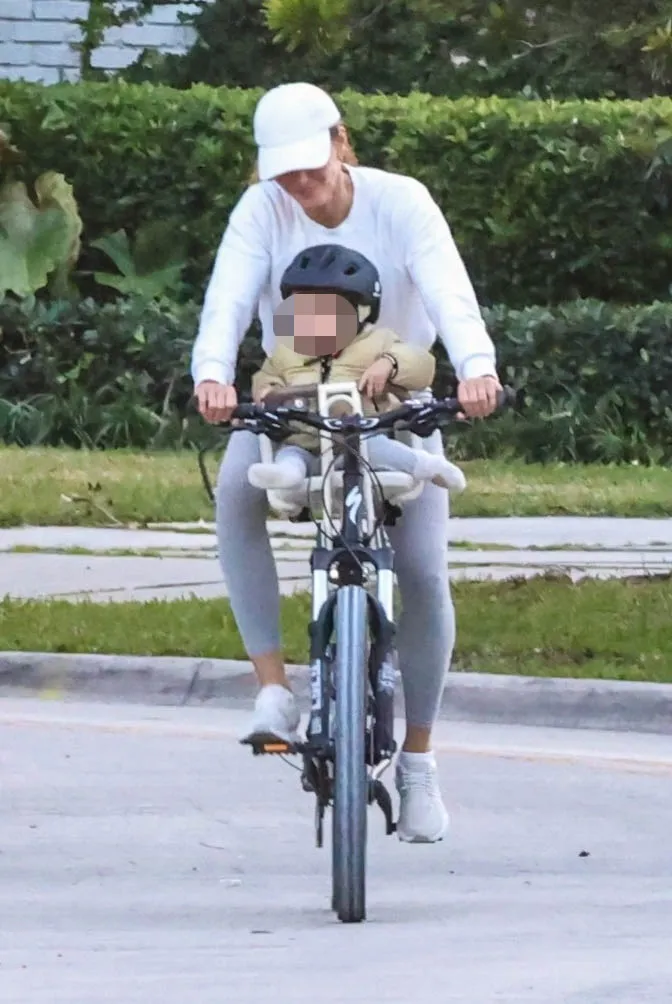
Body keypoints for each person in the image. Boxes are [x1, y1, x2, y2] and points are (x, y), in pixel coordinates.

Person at [192, 80, 502, 844]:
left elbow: (449, 294)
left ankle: (419, 764)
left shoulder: (401, 201)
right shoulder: (262, 210)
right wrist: (213, 375)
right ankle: (273, 690)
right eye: (284, 173)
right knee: (237, 491)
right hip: (295, 406)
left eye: (311, 166)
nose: (301, 185)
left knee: (422, 571)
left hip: (393, 407)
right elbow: (227, 299)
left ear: (340, 142)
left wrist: (476, 369)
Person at [247, 243, 467, 495]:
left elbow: (421, 364)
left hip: (361, 434)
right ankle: (285, 474)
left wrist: (389, 363)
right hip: (306, 439)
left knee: (375, 447)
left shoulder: (378, 341)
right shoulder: (287, 351)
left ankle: (426, 465)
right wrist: (267, 391)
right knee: (291, 454)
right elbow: (268, 375)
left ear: (359, 310)